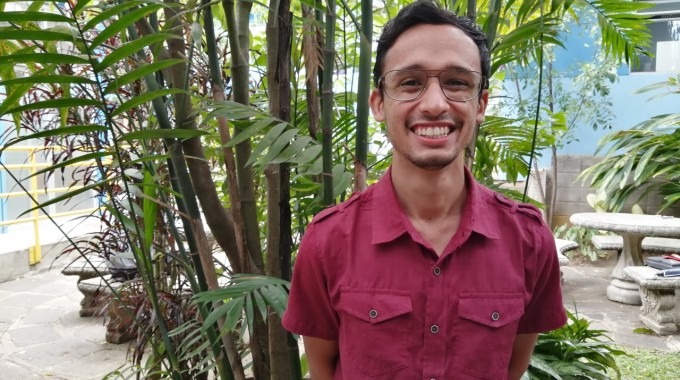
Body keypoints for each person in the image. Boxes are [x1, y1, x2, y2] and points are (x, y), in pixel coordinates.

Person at [282, 1, 567, 379]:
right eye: (410, 82)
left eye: (457, 83)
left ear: (481, 103)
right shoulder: (328, 240)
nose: (434, 104)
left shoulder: (529, 240)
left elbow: (511, 368)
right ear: (379, 103)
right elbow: (323, 369)